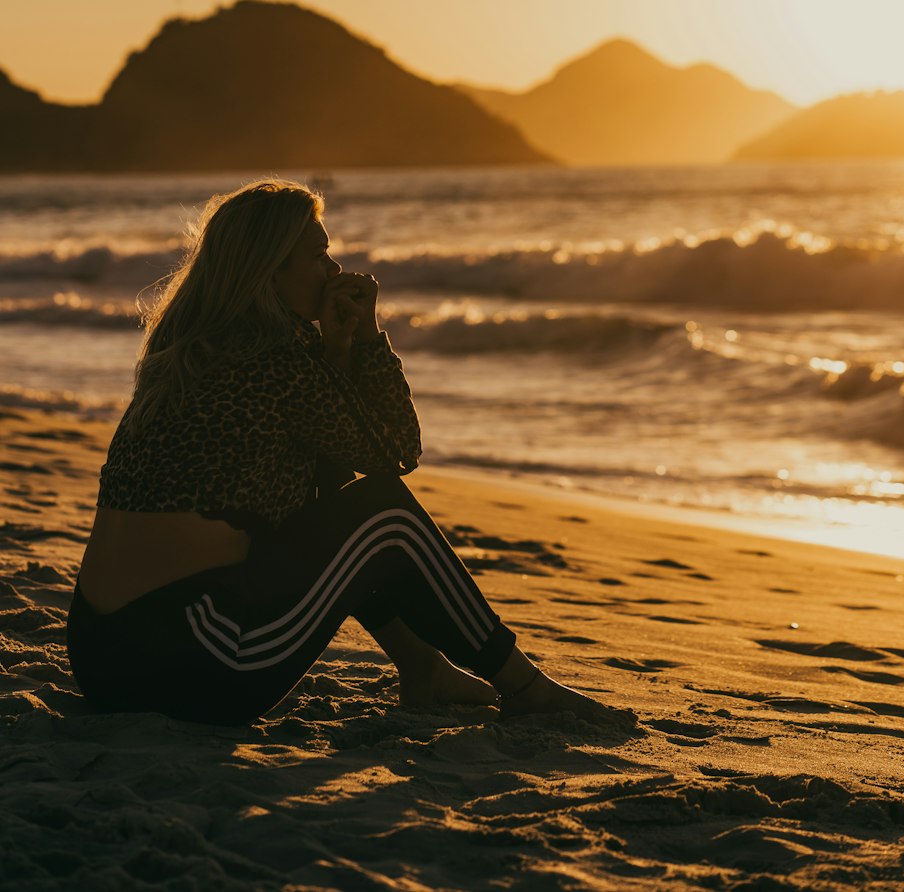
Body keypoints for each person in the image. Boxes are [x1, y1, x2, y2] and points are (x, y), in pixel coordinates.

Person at [67, 178, 611, 727]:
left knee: (335, 494)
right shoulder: (275, 362)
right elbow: (397, 450)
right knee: (387, 515)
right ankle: (523, 685)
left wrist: (335, 350)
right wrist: (369, 339)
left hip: (100, 654)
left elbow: (327, 468)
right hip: (193, 659)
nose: (332, 269)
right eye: (318, 253)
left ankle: (422, 668)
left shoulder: (186, 353)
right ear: (270, 270)